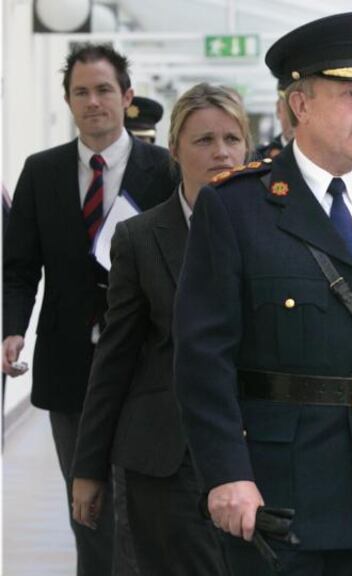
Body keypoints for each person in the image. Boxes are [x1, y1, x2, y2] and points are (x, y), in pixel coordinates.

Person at [173, 12, 352, 575]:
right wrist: (228, 474)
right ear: (300, 104)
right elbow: (203, 359)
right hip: (280, 494)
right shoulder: (236, 207)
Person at [2, 43, 175, 575]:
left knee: (139, 501)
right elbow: (19, 265)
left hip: (145, 364)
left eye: (103, 90)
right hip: (69, 363)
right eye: (81, 92)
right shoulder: (42, 172)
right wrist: (12, 330)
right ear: (68, 101)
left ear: (125, 97)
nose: (93, 101)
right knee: (87, 505)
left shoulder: (164, 169)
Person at [70, 83, 248, 576]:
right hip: (165, 457)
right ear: (174, 150)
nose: (221, 153)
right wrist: (88, 468)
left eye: (232, 139)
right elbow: (115, 358)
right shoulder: (141, 238)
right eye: (204, 140)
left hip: (255, 449)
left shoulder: (272, 233)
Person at [255, 78, 294, 160]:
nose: (299, 117)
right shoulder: (256, 159)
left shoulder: (326, 158)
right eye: (291, 108)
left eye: (304, 108)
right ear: (278, 109)